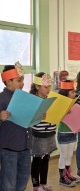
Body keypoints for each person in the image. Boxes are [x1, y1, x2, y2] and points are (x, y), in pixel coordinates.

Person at [0, 62, 32, 191]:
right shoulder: (1, 99)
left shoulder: (26, 97)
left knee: (23, 179)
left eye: (23, 80)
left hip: (26, 146)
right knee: (8, 182)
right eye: (19, 80)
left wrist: (38, 115)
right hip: (9, 149)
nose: (22, 83)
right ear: (8, 82)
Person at [30, 72, 57, 191]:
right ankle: (36, 186)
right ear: (37, 86)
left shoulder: (49, 99)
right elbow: (29, 118)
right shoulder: (33, 100)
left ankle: (44, 183)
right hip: (38, 135)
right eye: (46, 87)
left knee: (46, 158)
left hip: (49, 133)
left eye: (49, 87)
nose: (48, 89)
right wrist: (39, 115)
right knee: (37, 159)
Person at [57, 80, 78, 187]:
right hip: (63, 133)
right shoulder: (60, 104)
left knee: (69, 155)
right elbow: (57, 118)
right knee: (63, 155)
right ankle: (62, 177)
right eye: (72, 92)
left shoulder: (75, 103)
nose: (74, 94)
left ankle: (68, 174)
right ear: (66, 93)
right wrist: (65, 112)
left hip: (72, 132)